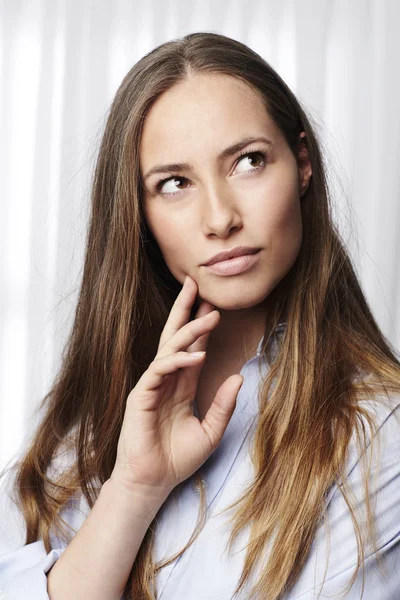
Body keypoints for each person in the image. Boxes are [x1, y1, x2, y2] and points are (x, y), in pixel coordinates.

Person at [0, 31, 400, 600]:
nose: (219, 217)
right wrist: (134, 489)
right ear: (138, 215)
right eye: (175, 183)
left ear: (302, 164)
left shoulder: (379, 430)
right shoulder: (74, 435)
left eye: (248, 161)